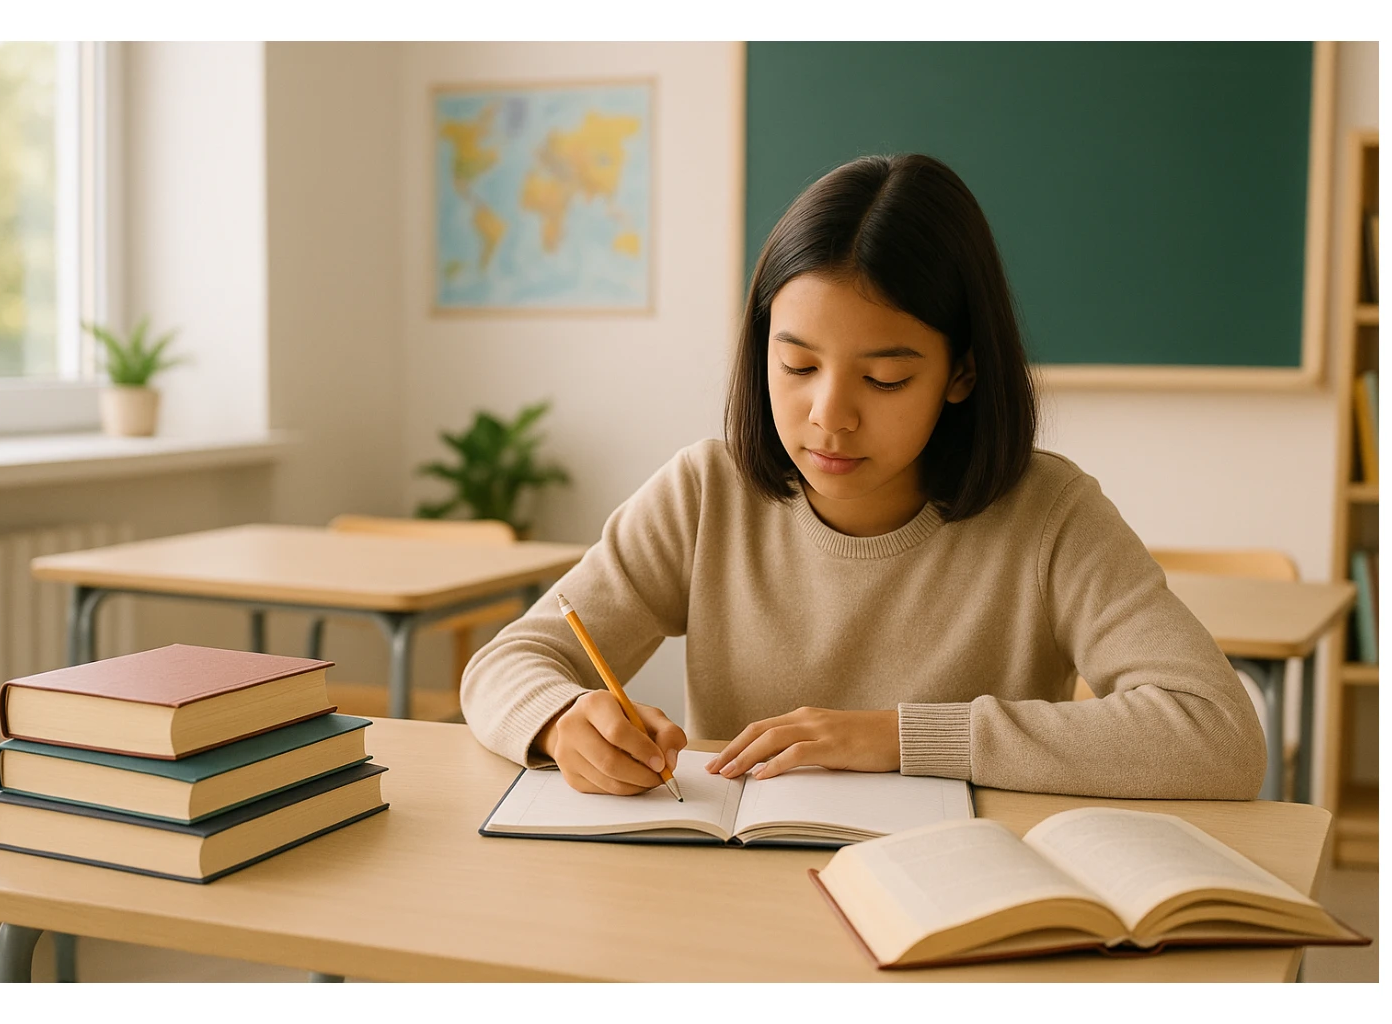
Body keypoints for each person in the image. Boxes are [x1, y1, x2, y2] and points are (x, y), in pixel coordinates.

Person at [460, 153, 1267, 801]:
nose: (828, 415)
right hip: (737, 902)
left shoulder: (1049, 514)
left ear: (962, 373)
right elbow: (506, 663)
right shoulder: (707, 493)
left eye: (884, 380)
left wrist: (902, 737)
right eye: (797, 365)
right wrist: (563, 719)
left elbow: (1217, 737)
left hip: (958, 901)